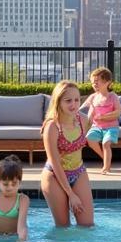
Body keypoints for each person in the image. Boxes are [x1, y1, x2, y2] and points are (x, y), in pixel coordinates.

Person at [41, 80, 94, 227]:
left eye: (77, 100)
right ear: (58, 102)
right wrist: (70, 194)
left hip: (78, 172)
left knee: (87, 225)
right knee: (63, 227)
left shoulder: (83, 120)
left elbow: (98, 132)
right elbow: (55, 162)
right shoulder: (52, 127)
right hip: (55, 176)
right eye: (68, 101)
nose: (74, 105)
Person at [85, 66, 121, 174]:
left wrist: (103, 117)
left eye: (97, 81)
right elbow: (89, 115)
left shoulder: (112, 96)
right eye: (93, 82)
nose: (94, 84)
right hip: (97, 127)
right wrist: (85, 126)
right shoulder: (93, 97)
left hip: (111, 127)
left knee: (106, 143)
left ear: (107, 82)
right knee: (89, 139)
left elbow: (119, 111)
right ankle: (105, 158)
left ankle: (106, 167)